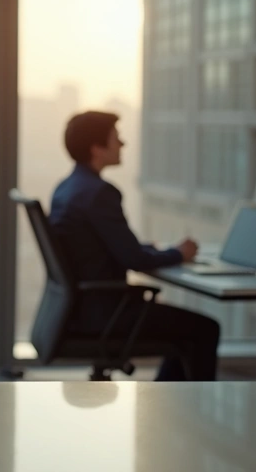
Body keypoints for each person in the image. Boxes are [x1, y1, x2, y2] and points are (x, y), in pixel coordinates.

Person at [49, 111, 220, 381]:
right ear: (97, 148)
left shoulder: (67, 188)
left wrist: (150, 250)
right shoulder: (99, 193)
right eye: (116, 138)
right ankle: (187, 410)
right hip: (108, 313)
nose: (123, 144)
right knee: (205, 329)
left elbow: (106, 247)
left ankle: (169, 407)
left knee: (186, 333)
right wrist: (178, 253)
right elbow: (134, 260)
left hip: (80, 309)